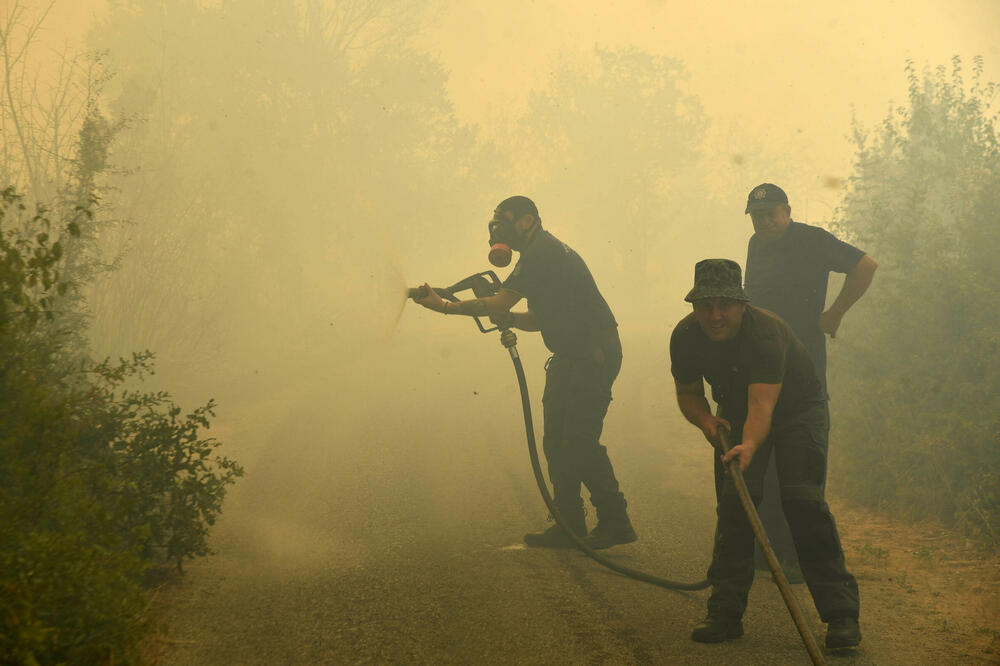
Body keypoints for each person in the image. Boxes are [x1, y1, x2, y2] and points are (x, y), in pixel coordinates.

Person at [411, 195, 637, 550]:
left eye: (505, 220)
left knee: (578, 439)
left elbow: (499, 301)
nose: (498, 228)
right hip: (570, 354)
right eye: (495, 221)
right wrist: (511, 319)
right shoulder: (540, 256)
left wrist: (445, 307)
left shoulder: (541, 253)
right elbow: (537, 318)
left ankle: (615, 521)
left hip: (593, 354)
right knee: (555, 440)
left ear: (528, 221)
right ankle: (569, 523)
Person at [669, 258, 861, 649]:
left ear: (742, 304)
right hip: (737, 413)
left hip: (797, 410)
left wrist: (750, 445)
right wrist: (706, 422)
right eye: (706, 305)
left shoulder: (766, 334)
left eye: (725, 304)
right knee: (736, 503)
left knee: (802, 502)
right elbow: (689, 395)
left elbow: (763, 406)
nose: (716, 315)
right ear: (694, 307)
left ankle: (842, 618)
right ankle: (724, 613)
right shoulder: (686, 336)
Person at [743, 183, 877, 581]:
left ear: (788, 211)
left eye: (771, 213)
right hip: (764, 366)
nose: (764, 221)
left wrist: (834, 314)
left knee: (801, 461)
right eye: (757, 215)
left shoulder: (812, 239)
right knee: (762, 455)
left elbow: (866, 265)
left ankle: (802, 557)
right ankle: (768, 548)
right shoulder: (756, 245)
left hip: (802, 368)